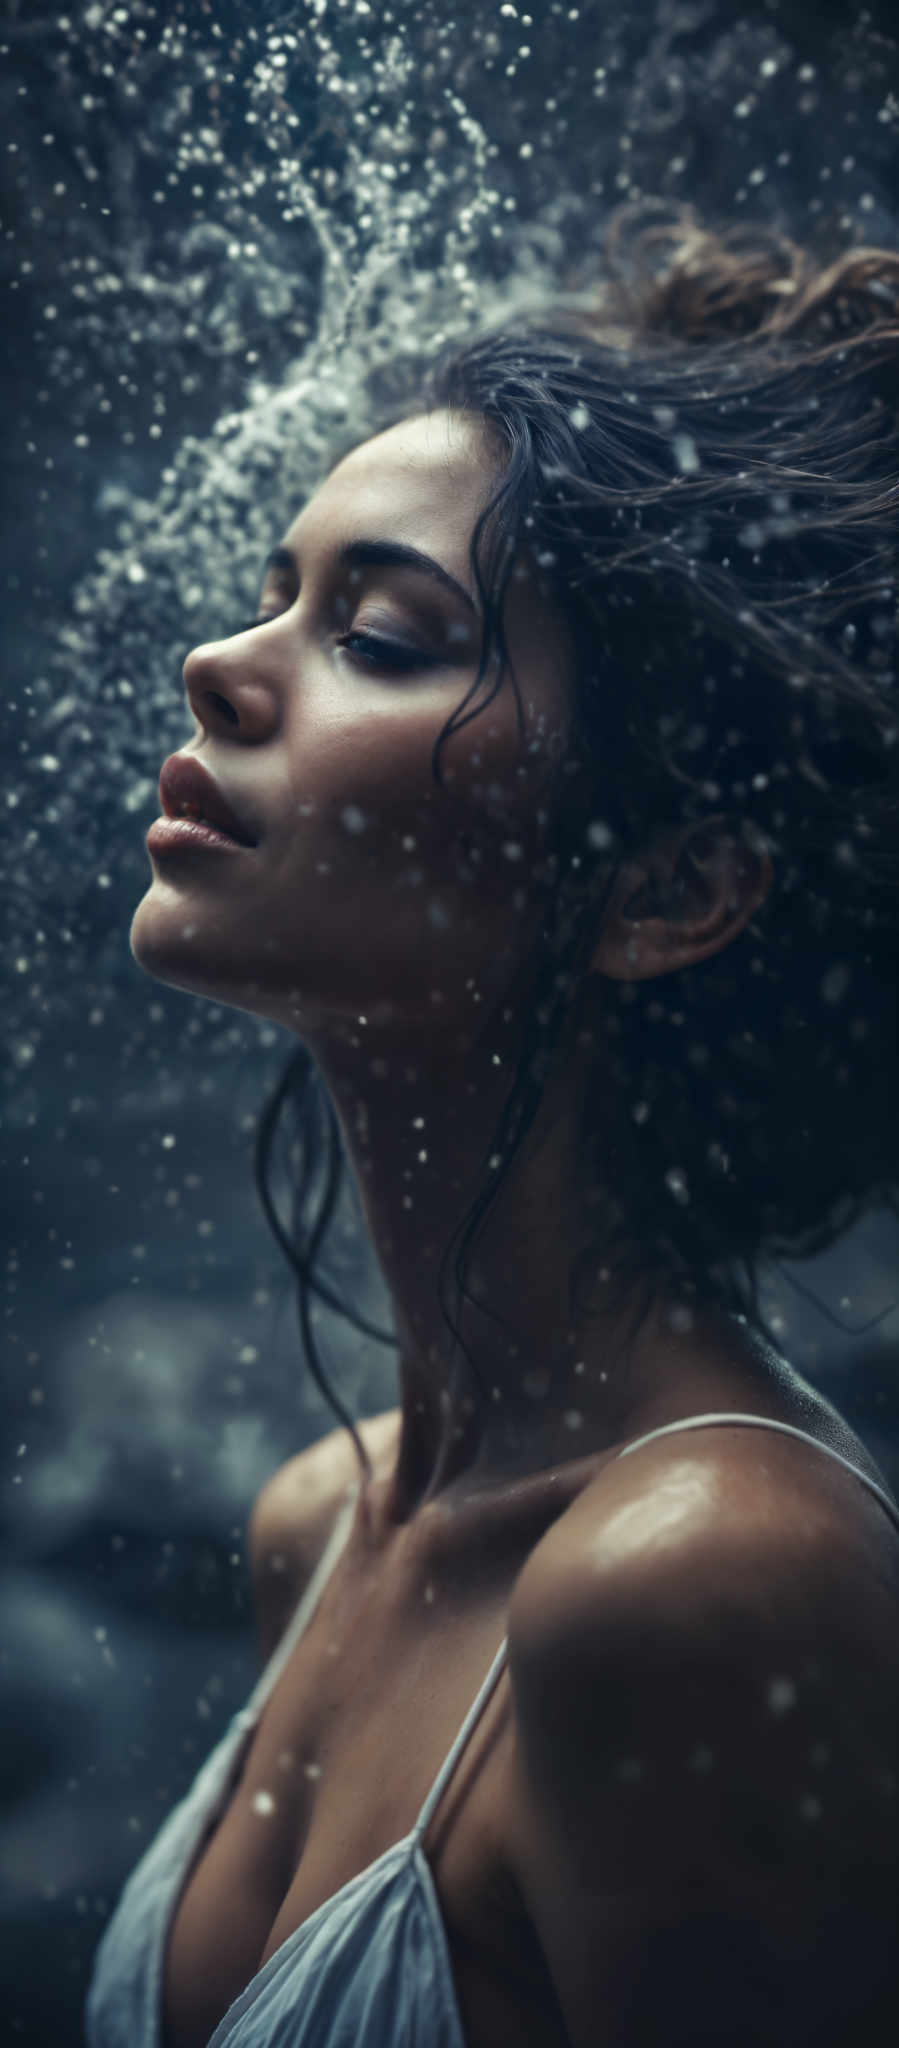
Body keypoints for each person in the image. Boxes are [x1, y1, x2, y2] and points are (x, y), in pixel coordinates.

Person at [87, 208, 899, 2048]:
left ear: (673, 887)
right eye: (277, 590)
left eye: (381, 633)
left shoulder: (706, 1579)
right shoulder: (326, 1520)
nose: (225, 661)